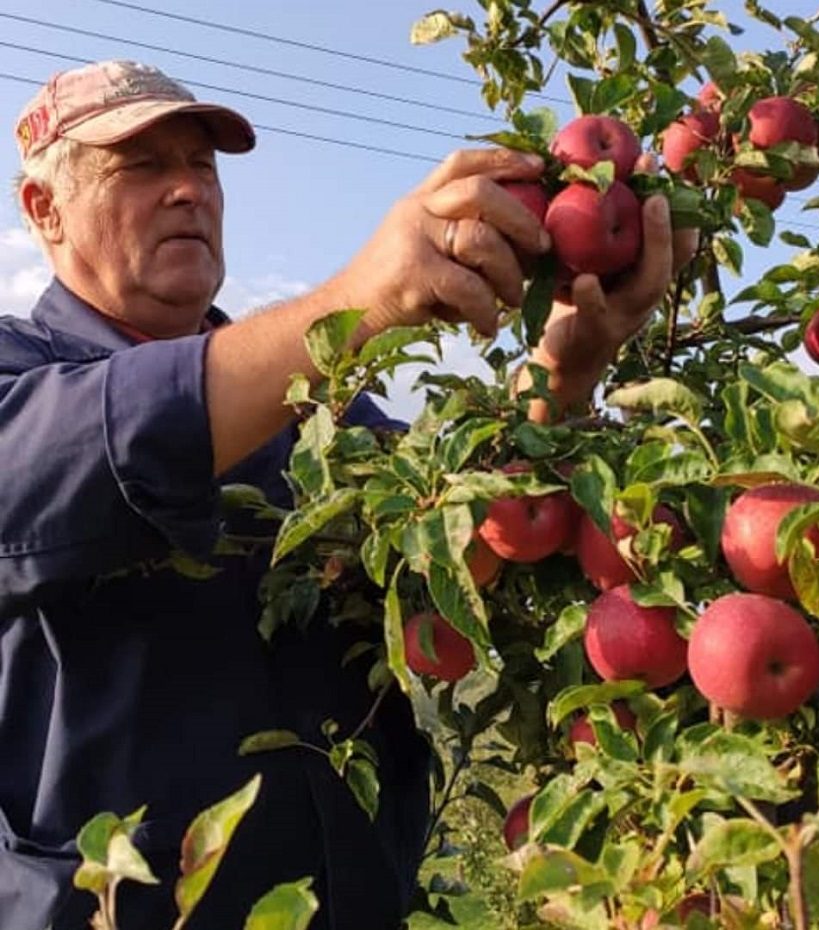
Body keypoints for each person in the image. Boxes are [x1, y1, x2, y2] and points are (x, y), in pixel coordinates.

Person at [0, 60, 693, 929]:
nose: (187, 191)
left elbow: (469, 533)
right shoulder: (20, 377)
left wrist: (566, 365)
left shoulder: (325, 412)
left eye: (202, 166)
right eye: (139, 167)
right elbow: (81, 448)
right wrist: (360, 301)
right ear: (44, 210)